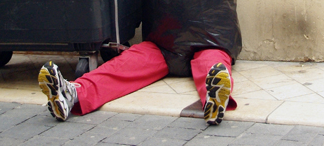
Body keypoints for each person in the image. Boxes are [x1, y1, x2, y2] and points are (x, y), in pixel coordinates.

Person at [39, 43, 236, 126]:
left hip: (206, 42)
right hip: (162, 44)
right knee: (127, 62)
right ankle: (72, 93)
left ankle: (215, 97)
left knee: (213, 60)